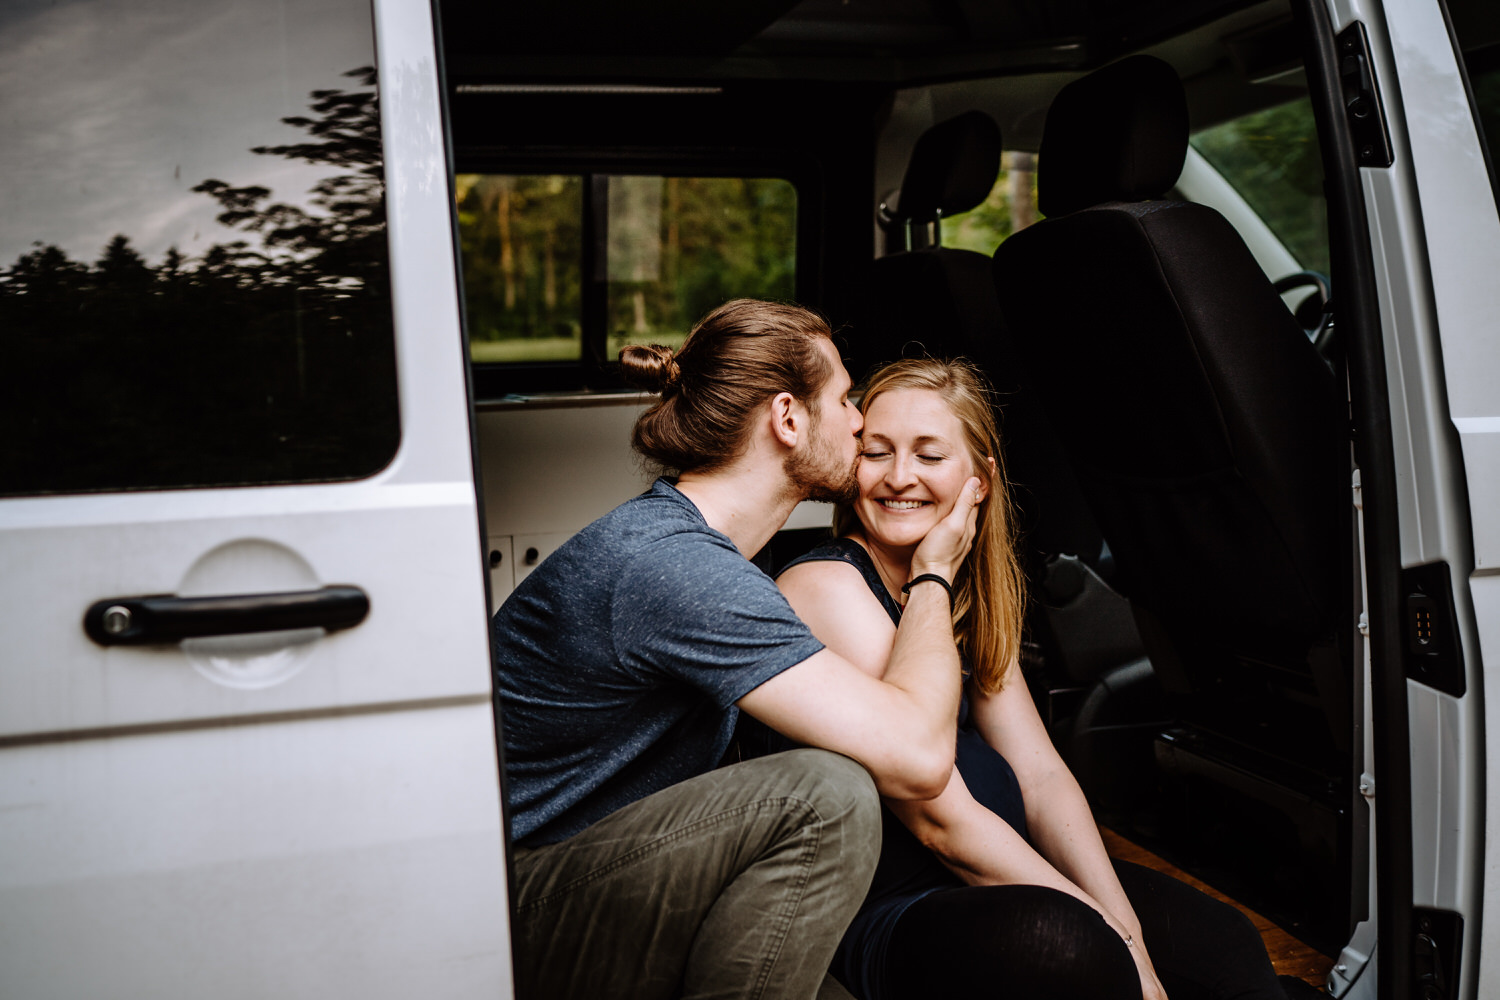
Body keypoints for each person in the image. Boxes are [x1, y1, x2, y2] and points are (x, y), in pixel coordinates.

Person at [491, 300, 983, 1000]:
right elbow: (919, 757)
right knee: (826, 796)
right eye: (844, 398)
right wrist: (935, 572)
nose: (857, 420)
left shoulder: (699, 555)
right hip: (510, 906)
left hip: (584, 871)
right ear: (788, 418)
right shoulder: (677, 569)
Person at [776, 357, 1305, 1000]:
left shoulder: (970, 594)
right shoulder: (827, 585)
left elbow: (1041, 773)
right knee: (1065, 946)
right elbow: (937, 821)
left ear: (980, 480)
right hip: (898, 907)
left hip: (1003, 868)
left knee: (1219, 940)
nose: (899, 478)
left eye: (930, 455)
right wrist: (1115, 946)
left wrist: (1129, 933)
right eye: (877, 452)